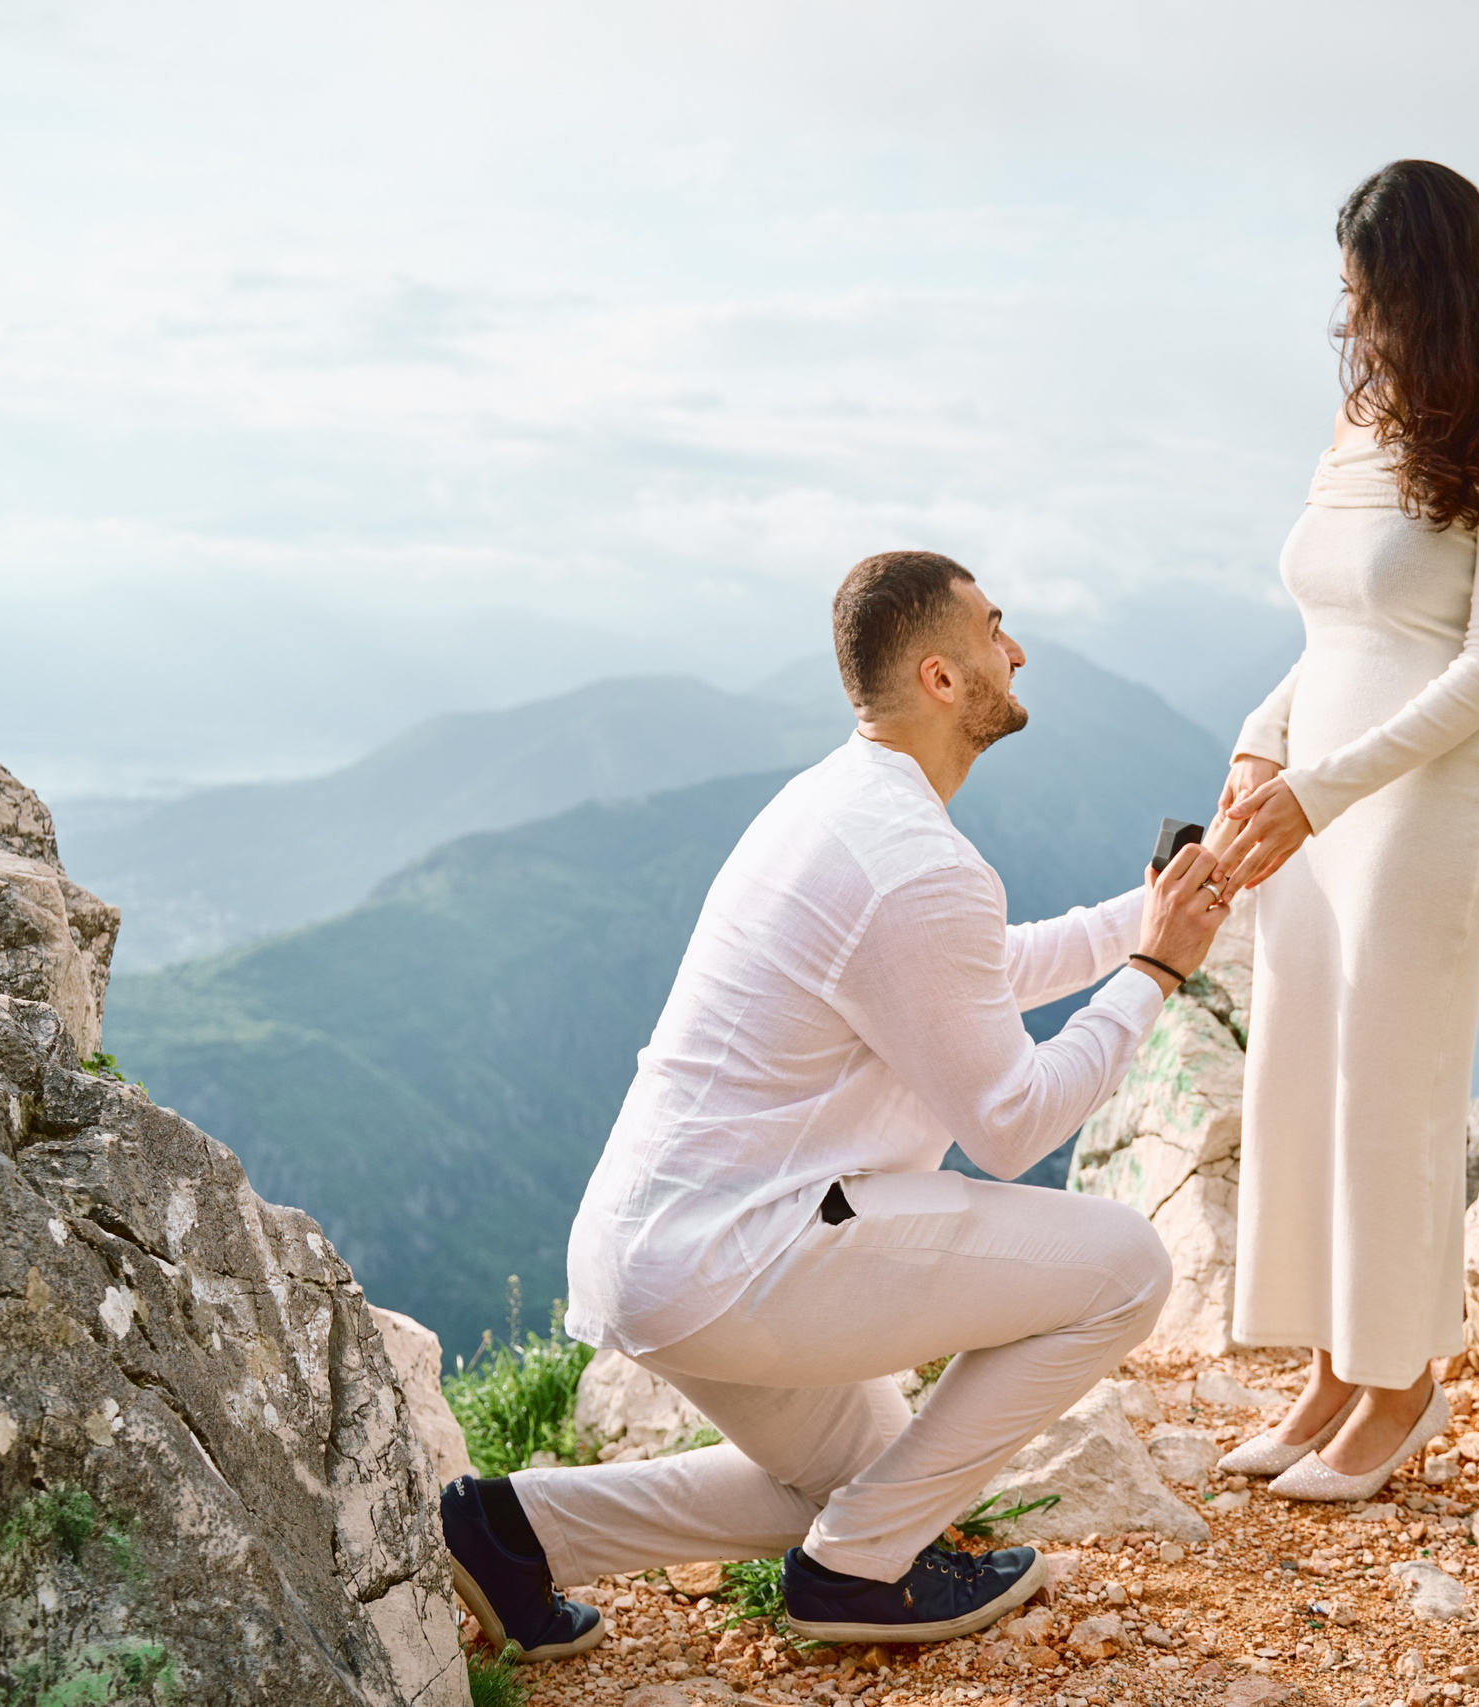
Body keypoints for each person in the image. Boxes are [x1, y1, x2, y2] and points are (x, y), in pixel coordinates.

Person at [436, 550, 1229, 1660]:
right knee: (1128, 1267)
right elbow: (1012, 1128)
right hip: (737, 1257)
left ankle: (512, 1530)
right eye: (994, 630)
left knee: (877, 1478)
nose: (1016, 650)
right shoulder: (914, 860)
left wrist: (1146, 916)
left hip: (664, 1251)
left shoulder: (837, 802)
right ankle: (854, 1573)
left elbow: (968, 974)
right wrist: (1154, 974)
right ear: (940, 677)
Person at [1206, 159, 1479, 1501]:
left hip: (1434, 803)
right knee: (1302, 1074)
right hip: (1317, 795)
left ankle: (1402, 1384)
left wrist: (1321, 785)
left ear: (1427, 283)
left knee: (1389, 1092)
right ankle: (1331, 1370)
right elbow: (1335, 631)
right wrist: (1263, 738)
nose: (1351, 312)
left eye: (1368, 287)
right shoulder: (1363, 415)